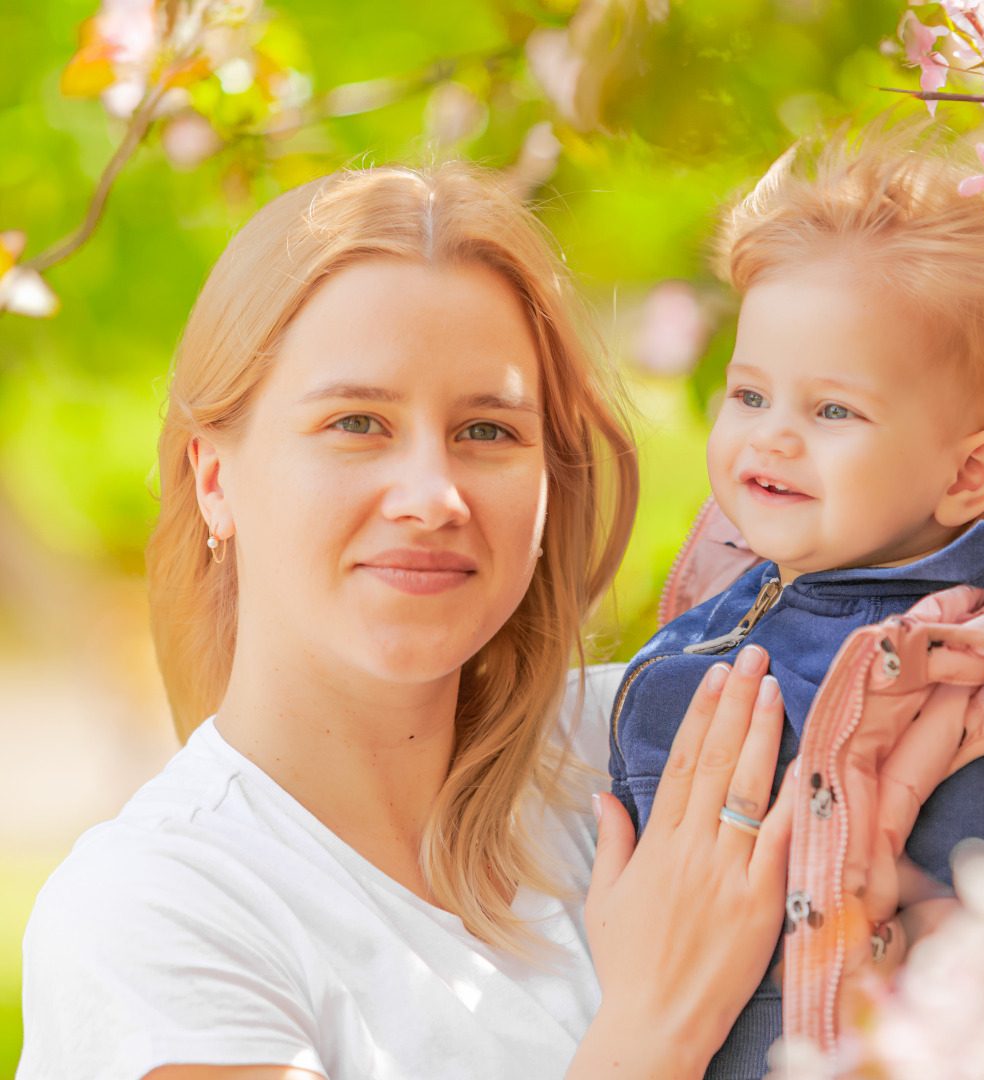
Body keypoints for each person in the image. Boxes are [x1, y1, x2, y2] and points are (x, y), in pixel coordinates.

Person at [19, 164, 797, 1080]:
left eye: (487, 432)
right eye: (357, 422)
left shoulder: (651, 745)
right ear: (214, 479)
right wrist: (657, 1029)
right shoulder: (158, 911)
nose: (433, 496)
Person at [608, 130, 984, 1079]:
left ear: (967, 474)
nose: (772, 440)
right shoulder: (778, 583)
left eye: (832, 411)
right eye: (748, 395)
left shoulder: (961, 692)